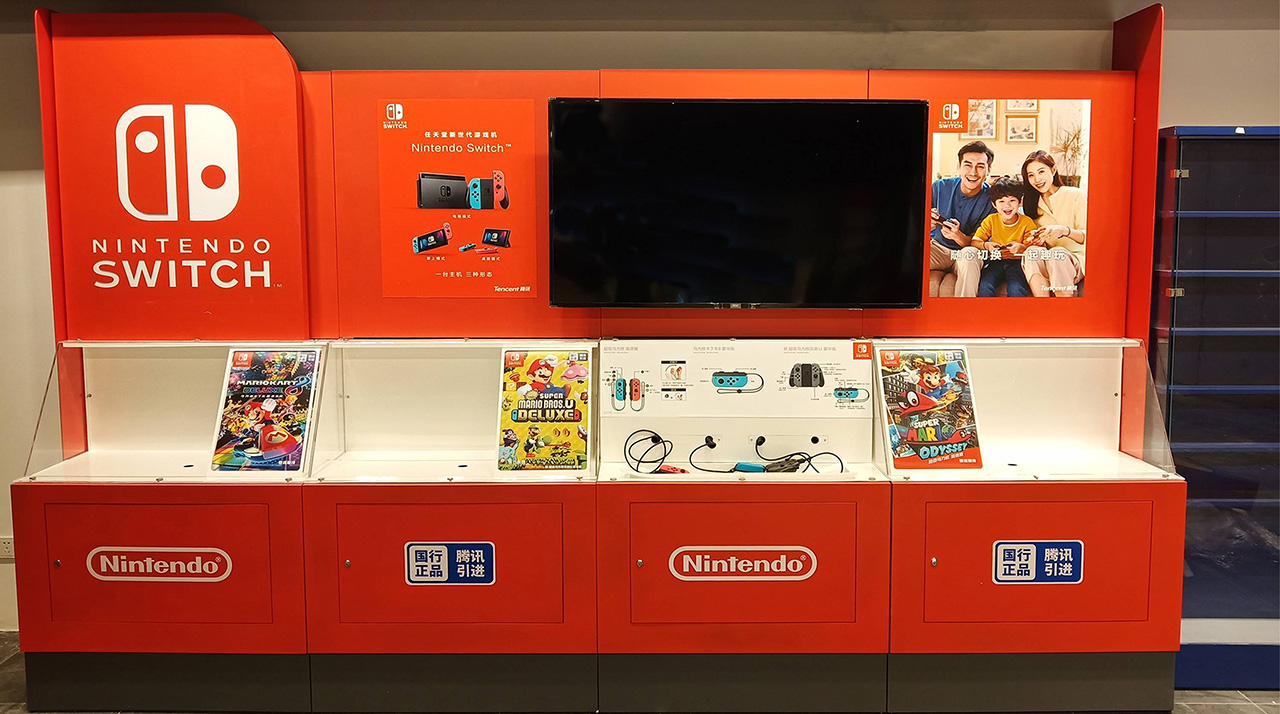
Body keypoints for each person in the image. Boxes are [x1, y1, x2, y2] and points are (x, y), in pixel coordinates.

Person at [930, 141, 995, 298]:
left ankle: (966, 311)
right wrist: (927, 224)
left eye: (980, 166)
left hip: (965, 254)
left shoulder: (993, 200)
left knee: (970, 254)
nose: (973, 172)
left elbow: (982, 245)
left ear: (989, 169)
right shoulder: (939, 187)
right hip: (938, 249)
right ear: (959, 167)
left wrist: (958, 236)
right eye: (967, 165)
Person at [1020, 150, 1086, 297]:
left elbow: (1088, 236)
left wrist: (1064, 230)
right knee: (1032, 252)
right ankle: (1043, 304)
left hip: (1075, 258)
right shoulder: (1031, 204)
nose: (1037, 179)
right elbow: (1041, 244)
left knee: (1057, 254)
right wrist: (1038, 241)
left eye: (1041, 171)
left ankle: (1064, 305)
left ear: (1053, 170)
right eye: (1031, 175)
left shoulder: (1074, 195)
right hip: (1049, 260)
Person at [971, 177, 1037, 297]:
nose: (1007, 205)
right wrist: (986, 245)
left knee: (1016, 288)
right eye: (1001, 201)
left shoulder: (1027, 222)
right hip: (996, 261)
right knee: (985, 286)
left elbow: (1034, 248)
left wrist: (1021, 247)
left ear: (1020, 202)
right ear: (994, 204)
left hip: (1018, 263)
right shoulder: (991, 220)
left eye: (1012, 200)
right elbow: (975, 242)